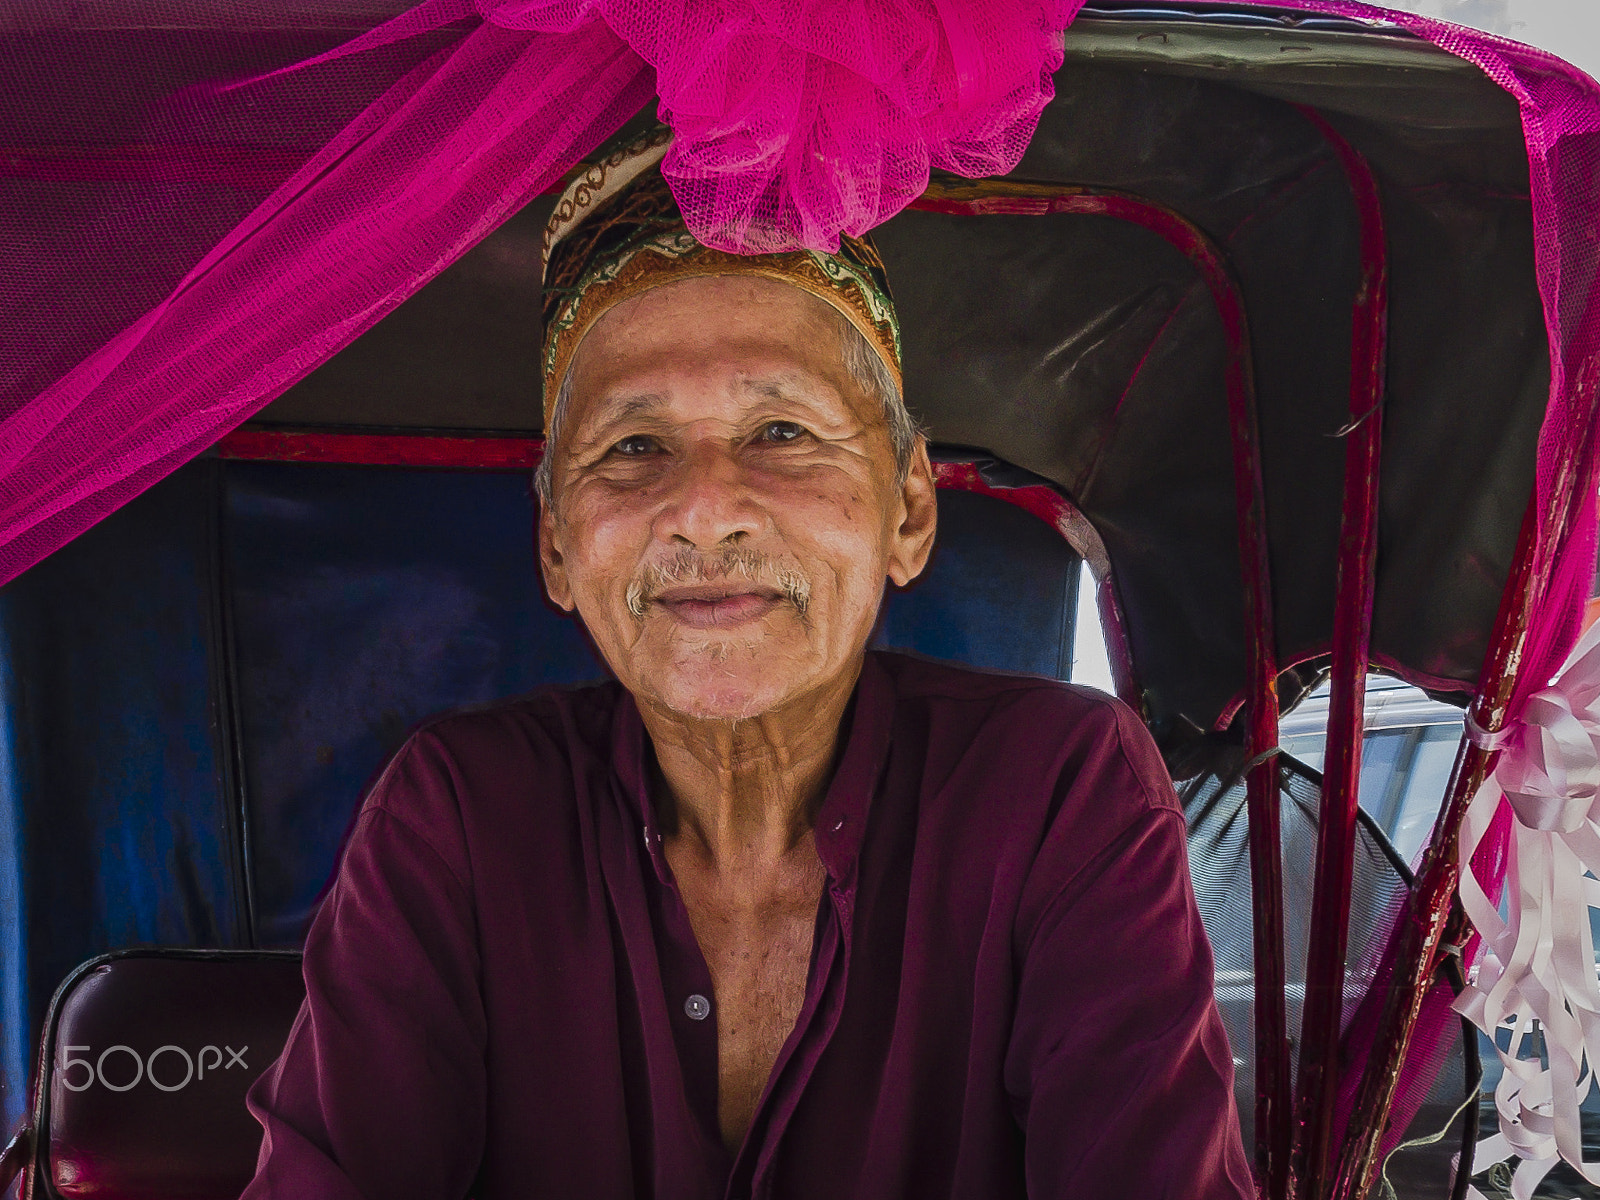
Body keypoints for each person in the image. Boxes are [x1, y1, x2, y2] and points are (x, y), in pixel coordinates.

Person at [242, 129, 1253, 1200]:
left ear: (908, 510)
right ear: (553, 546)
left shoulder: (1059, 788)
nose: (707, 509)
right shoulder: (460, 812)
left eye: (780, 430)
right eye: (633, 448)